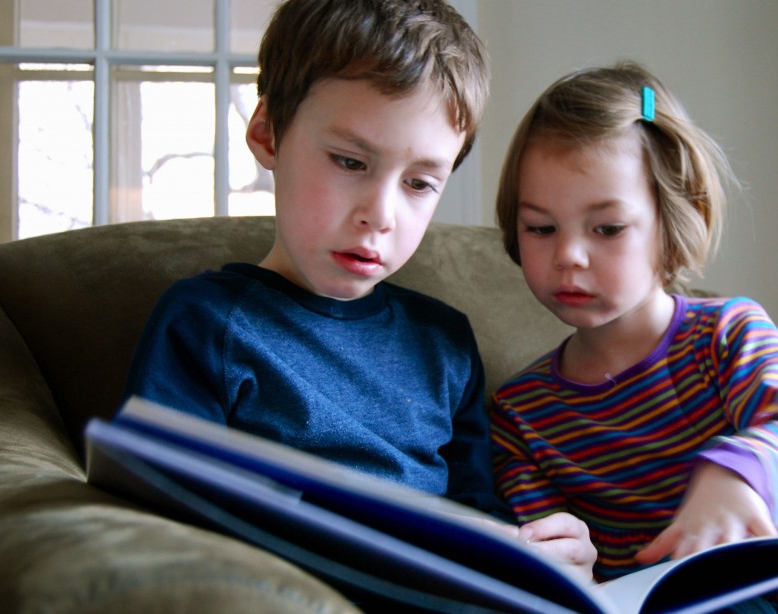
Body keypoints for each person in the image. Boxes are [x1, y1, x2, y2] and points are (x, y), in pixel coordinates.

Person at [123, 0, 594, 579]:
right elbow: (162, 508)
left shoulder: (443, 341)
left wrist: (538, 550)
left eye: (420, 183)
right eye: (350, 161)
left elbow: (478, 514)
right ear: (267, 133)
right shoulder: (205, 322)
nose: (381, 214)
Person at [491, 61, 778, 584]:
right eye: (541, 227)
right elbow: (547, 548)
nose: (568, 255)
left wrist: (738, 479)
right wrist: (568, 560)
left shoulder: (727, 333)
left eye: (607, 228)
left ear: (675, 218)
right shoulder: (519, 413)